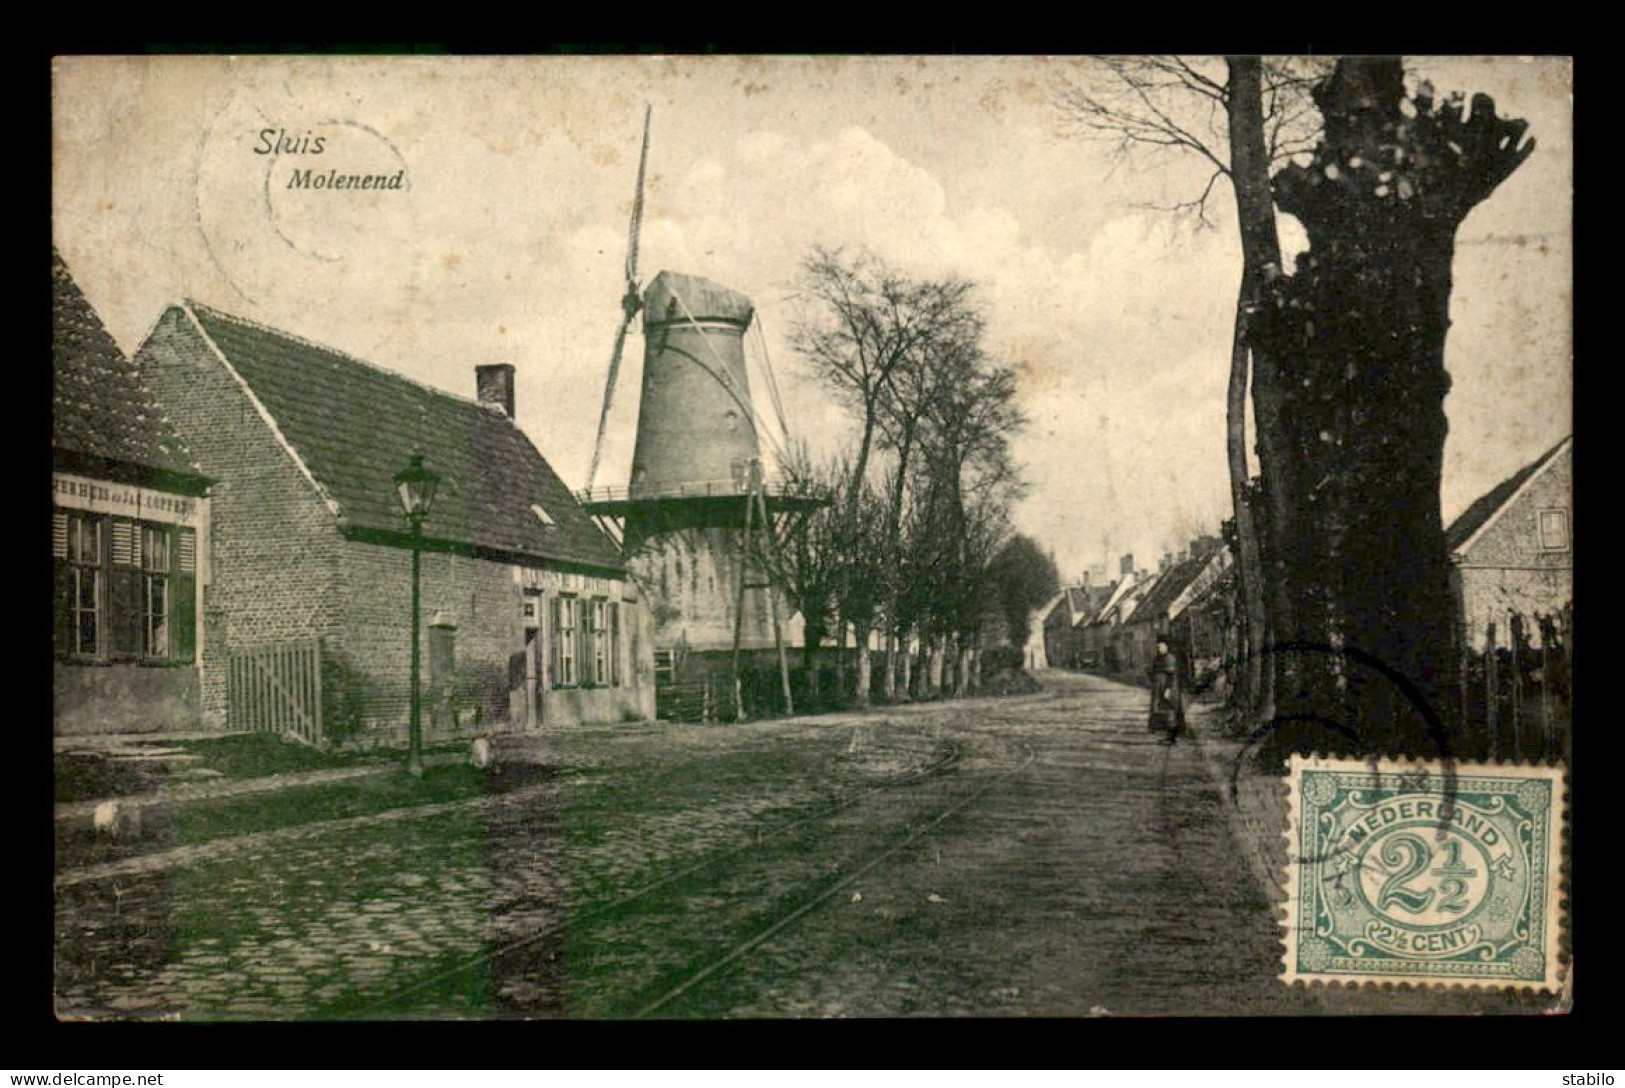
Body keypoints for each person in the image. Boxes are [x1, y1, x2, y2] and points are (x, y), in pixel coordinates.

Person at [1148, 636, 1184, 745]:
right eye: (1158, 647)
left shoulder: (1170, 658)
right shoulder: (1158, 658)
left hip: (1169, 689)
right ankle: (1168, 737)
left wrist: (1168, 689)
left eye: (1162, 646)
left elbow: (1171, 675)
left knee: (1170, 712)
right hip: (1160, 689)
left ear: (1167, 647)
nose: (1159, 648)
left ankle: (1171, 738)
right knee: (1164, 712)